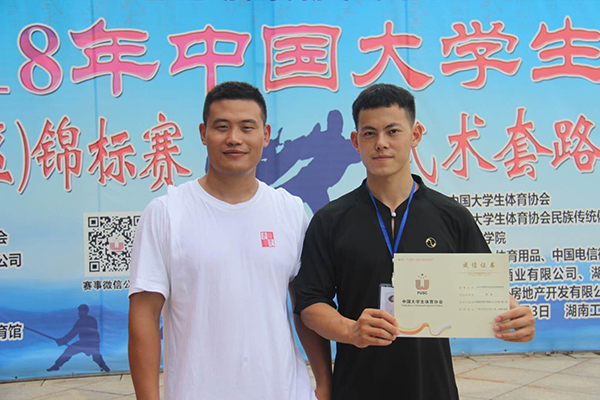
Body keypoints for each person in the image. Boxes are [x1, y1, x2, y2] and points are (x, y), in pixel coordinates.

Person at [294, 83, 535, 399]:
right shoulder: (331, 219)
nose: (381, 143)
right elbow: (310, 304)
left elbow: (486, 291)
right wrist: (350, 330)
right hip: (357, 386)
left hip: (431, 386)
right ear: (355, 141)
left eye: (392, 131)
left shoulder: (451, 216)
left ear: (415, 134)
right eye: (369, 133)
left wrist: (515, 317)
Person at [128, 81, 331, 400]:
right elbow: (144, 316)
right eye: (222, 127)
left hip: (284, 390)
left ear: (265, 135)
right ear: (203, 132)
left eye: (247, 128)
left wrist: (324, 382)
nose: (234, 138)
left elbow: (305, 306)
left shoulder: (290, 211)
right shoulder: (167, 212)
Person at [47, 304, 110, 372]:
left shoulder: (86, 321)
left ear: (85, 311)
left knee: (95, 357)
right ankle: (57, 365)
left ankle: (105, 367)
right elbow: (72, 333)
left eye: (80, 311)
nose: (79, 313)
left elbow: (73, 333)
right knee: (69, 350)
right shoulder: (83, 321)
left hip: (91, 343)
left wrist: (62, 341)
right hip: (87, 342)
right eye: (79, 311)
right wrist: (62, 340)